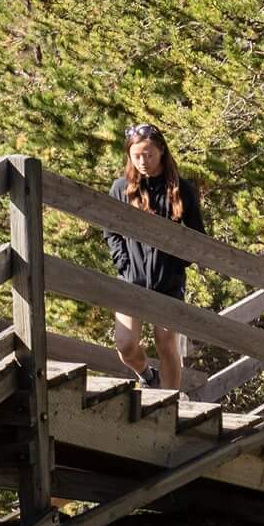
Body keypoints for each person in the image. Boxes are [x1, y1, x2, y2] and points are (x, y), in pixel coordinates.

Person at [108, 123, 206, 391]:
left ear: (161, 150)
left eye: (148, 154)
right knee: (126, 345)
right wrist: (123, 263)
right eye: (136, 156)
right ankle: (148, 376)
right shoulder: (120, 189)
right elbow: (111, 231)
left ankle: (170, 402)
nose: (143, 161)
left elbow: (198, 236)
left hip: (168, 282)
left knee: (166, 345)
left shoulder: (181, 189)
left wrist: (178, 263)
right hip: (131, 280)